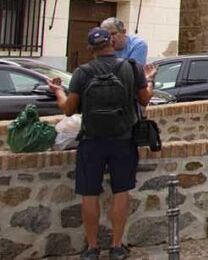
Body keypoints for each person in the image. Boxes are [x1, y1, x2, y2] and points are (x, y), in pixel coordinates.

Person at [48, 27, 155, 260]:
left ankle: (92, 248)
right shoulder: (131, 68)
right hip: (123, 139)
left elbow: (68, 110)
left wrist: (58, 92)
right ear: (112, 43)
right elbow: (144, 100)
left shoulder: (82, 72)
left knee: (89, 194)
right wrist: (150, 80)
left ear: (89, 49)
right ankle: (117, 247)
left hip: (91, 139)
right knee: (120, 193)